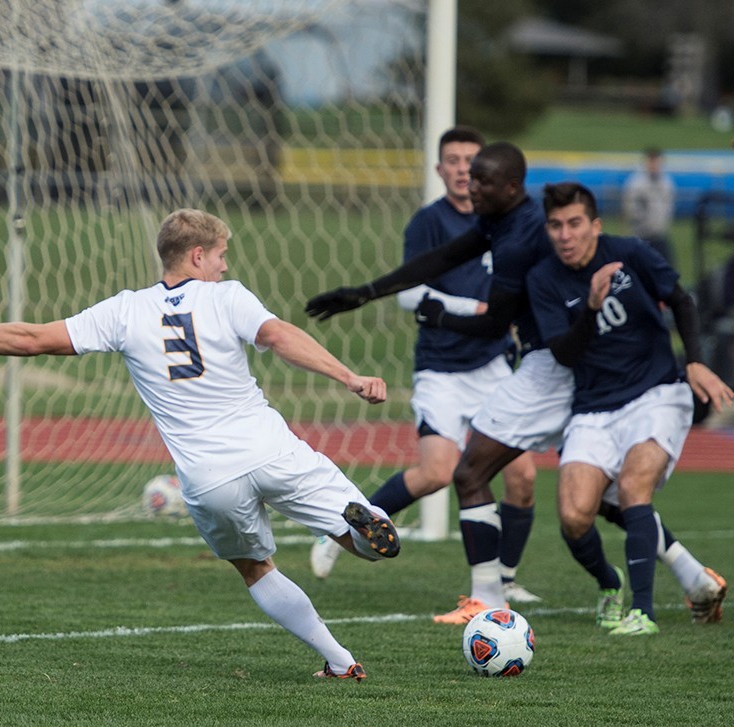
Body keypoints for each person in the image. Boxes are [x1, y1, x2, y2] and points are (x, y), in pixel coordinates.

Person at [0, 208, 401, 679]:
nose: (225, 266)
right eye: (221, 255)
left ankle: (340, 661)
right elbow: (278, 336)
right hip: (272, 450)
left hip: (208, 478)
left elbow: (31, 338)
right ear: (198, 256)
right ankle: (360, 529)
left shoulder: (126, 310)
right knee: (363, 544)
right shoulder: (228, 297)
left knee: (254, 567)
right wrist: (348, 376)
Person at [304, 142, 724, 626]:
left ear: (511, 187)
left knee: (471, 472)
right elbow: (444, 257)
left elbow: (492, 324)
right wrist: (366, 293)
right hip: (572, 364)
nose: (472, 186)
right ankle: (694, 578)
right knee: (606, 500)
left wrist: (438, 315)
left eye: (482, 180)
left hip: (554, 367)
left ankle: (488, 597)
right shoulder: (503, 221)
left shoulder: (523, 240)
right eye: (470, 177)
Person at [308, 128, 541, 607]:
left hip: (493, 364)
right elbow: (418, 287)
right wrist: (371, 294)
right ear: (440, 169)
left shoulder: (512, 222)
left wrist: (495, 314)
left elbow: (500, 310)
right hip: (441, 367)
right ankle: (345, 529)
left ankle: (504, 580)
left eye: (473, 163)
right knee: (437, 472)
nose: (465, 172)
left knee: (523, 477)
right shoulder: (432, 221)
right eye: (454, 161)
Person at [528, 182, 731, 635]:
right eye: (556, 225)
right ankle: (612, 581)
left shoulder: (630, 253)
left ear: (595, 225)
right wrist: (590, 309)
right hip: (593, 409)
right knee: (574, 515)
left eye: (575, 223)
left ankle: (643, 612)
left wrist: (695, 361)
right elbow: (563, 353)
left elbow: (680, 299)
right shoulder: (543, 279)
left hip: (656, 393)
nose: (565, 234)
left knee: (634, 486)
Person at [622, 147, 676, 265]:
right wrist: (644, 224)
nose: (654, 166)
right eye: (652, 162)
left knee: (668, 268)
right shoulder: (636, 184)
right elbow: (631, 209)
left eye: (657, 162)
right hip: (642, 235)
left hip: (660, 235)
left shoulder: (666, 182)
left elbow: (667, 206)